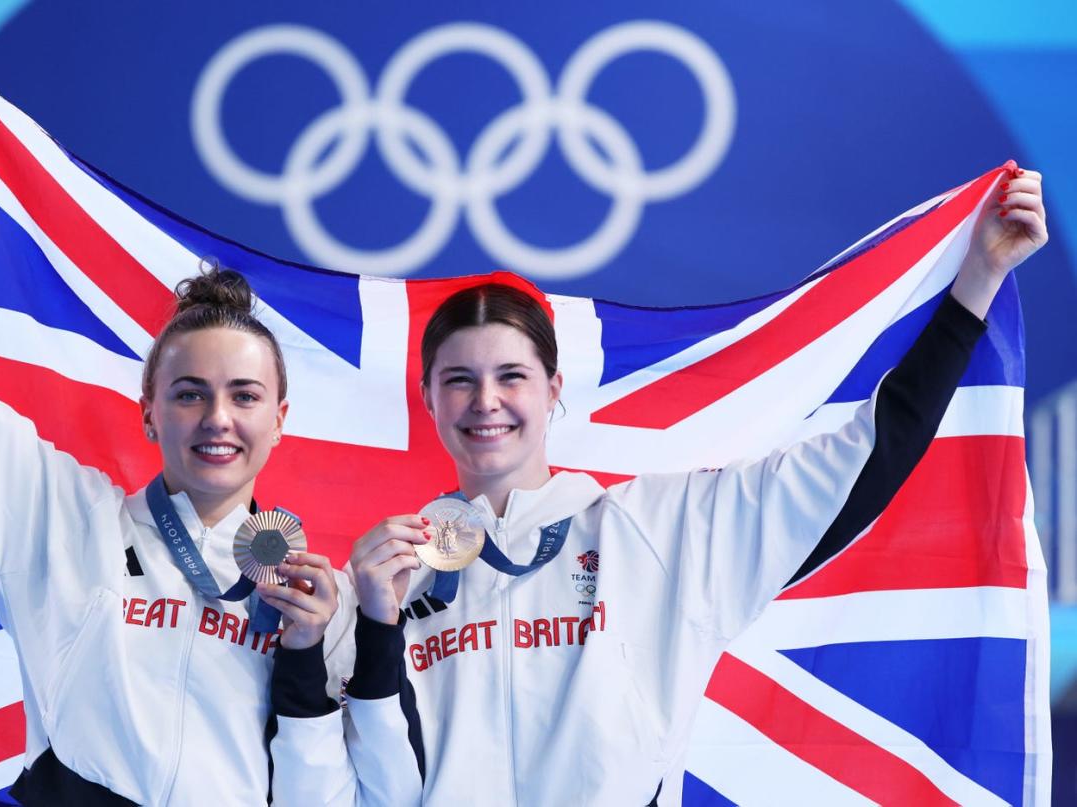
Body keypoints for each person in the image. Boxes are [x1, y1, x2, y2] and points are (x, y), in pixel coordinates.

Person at [342, 163, 1047, 803]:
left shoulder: (657, 528)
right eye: (459, 380)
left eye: (511, 377)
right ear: (429, 398)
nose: (485, 401)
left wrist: (974, 287)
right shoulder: (391, 575)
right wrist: (373, 624)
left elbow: (864, 459)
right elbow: (356, 778)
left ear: (554, 388)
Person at [0, 55, 357, 805]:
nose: (218, 418)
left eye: (244, 395)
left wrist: (308, 655)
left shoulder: (317, 594)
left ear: (279, 420)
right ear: (149, 410)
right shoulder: (62, 517)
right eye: (189, 394)